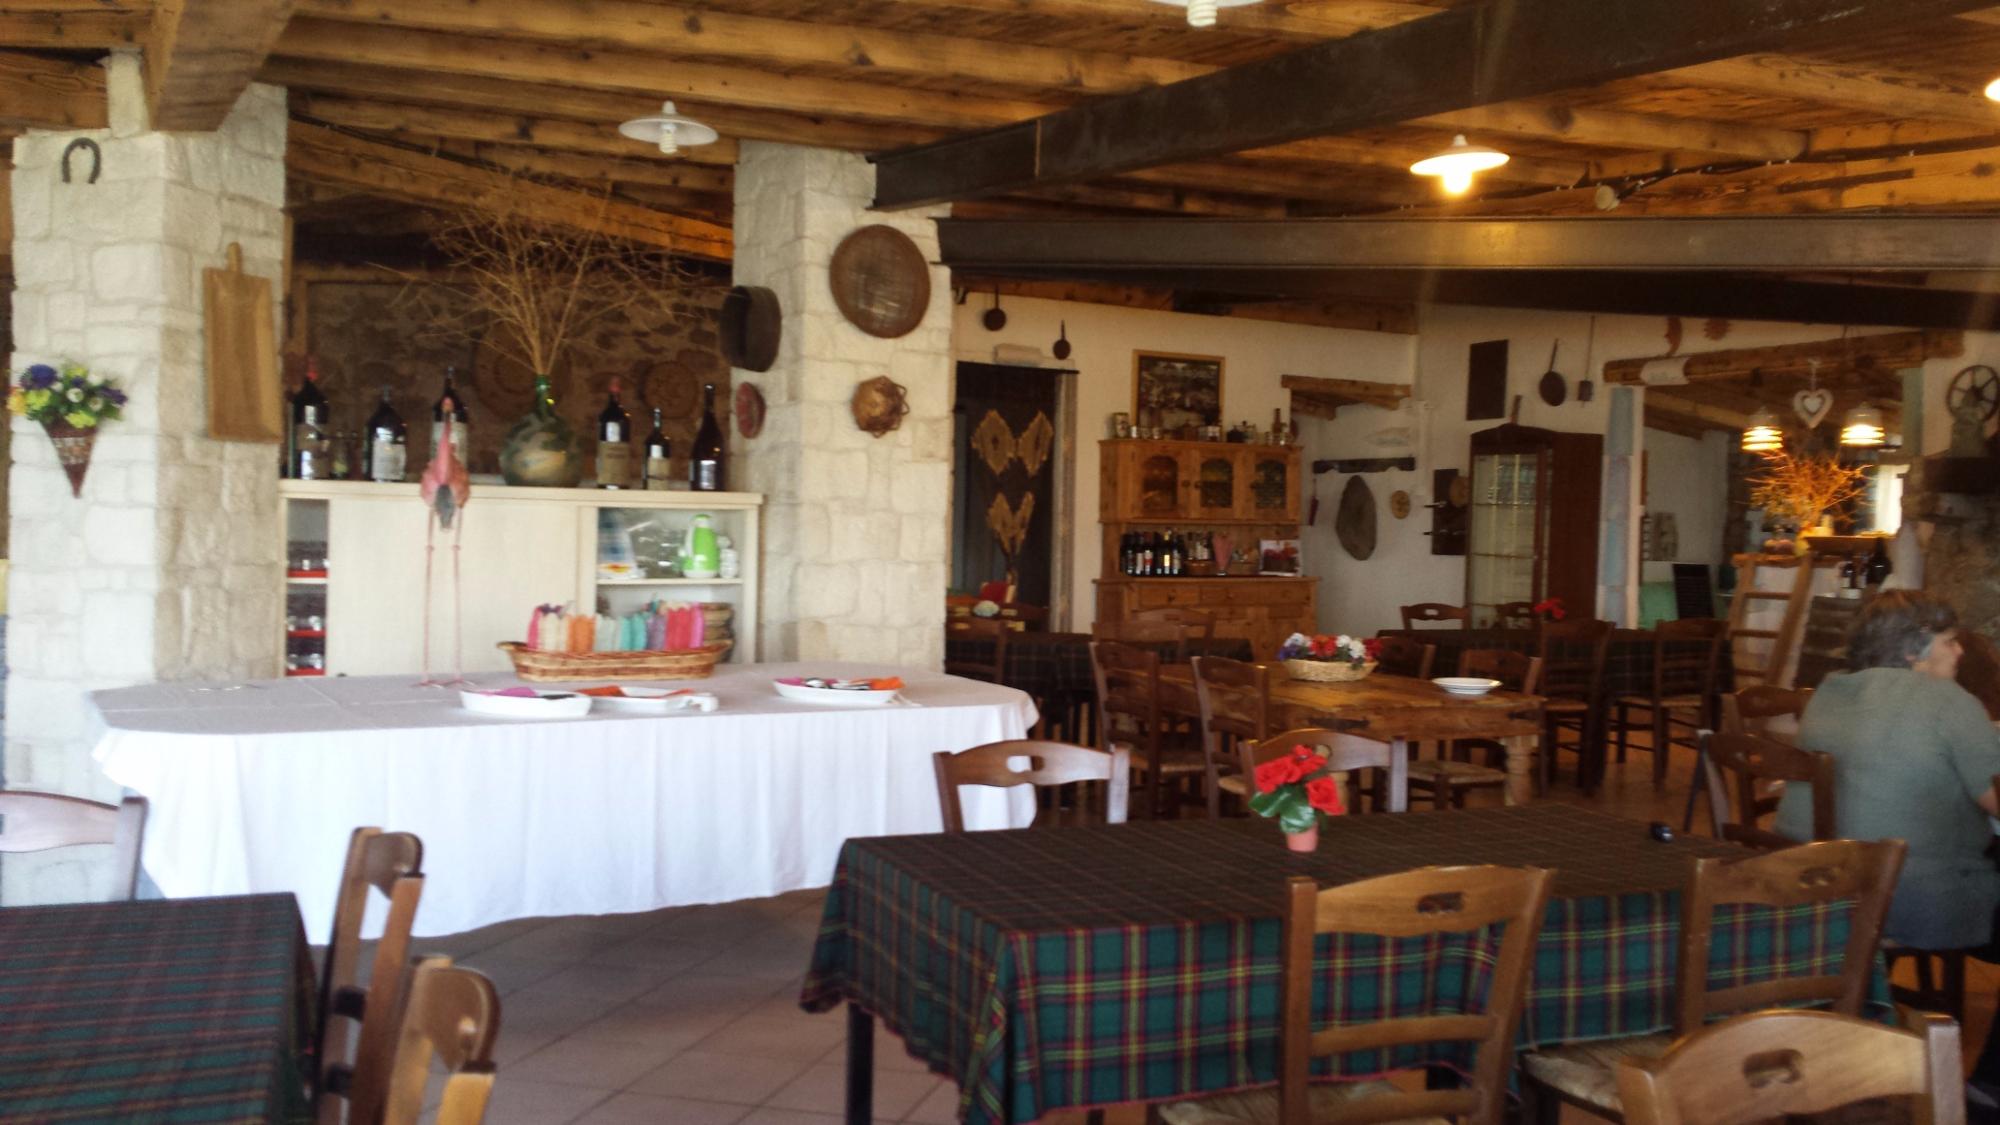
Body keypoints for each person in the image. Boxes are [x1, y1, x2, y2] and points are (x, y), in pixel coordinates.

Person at [1770, 591, 2000, 1106]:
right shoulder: (1948, 702)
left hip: (1822, 892)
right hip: (1910, 900)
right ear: (1913, 649)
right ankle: (1990, 1084)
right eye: (1949, 641)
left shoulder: (1829, 691)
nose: (1960, 651)